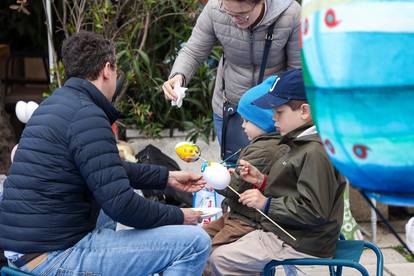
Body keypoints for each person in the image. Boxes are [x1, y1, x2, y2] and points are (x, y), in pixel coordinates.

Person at [0, 31, 211, 276]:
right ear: (107, 69)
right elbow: (123, 205)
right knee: (195, 243)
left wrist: (167, 178)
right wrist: (181, 216)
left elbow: (107, 170)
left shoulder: (53, 105)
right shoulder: (87, 115)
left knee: (104, 209)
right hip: (52, 255)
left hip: (21, 249)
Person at [208, 69, 346, 275]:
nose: (273, 118)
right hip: (288, 231)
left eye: (279, 112)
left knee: (221, 259)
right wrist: (261, 181)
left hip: (301, 241)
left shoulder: (315, 151)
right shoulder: (300, 142)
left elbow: (314, 210)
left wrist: (266, 203)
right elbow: (294, 188)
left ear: (305, 111)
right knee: (214, 253)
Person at [162, 0, 301, 145]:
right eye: (230, 14)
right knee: (231, 165)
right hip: (230, 106)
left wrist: (287, 115)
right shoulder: (215, 8)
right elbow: (193, 51)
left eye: (242, 15)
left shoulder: (291, 14)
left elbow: (297, 73)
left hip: (273, 111)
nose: (235, 20)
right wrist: (179, 75)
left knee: (269, 164)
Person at [202, 76, 281, 275]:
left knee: (207, 256)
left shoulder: (264, 150)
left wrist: (217, 179)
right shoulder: (260, 146)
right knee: (198, 240)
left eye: (247, 120)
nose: (242, 126)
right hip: (238, 215)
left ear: (263, 120)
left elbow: (236, 187)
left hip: (247, 221)